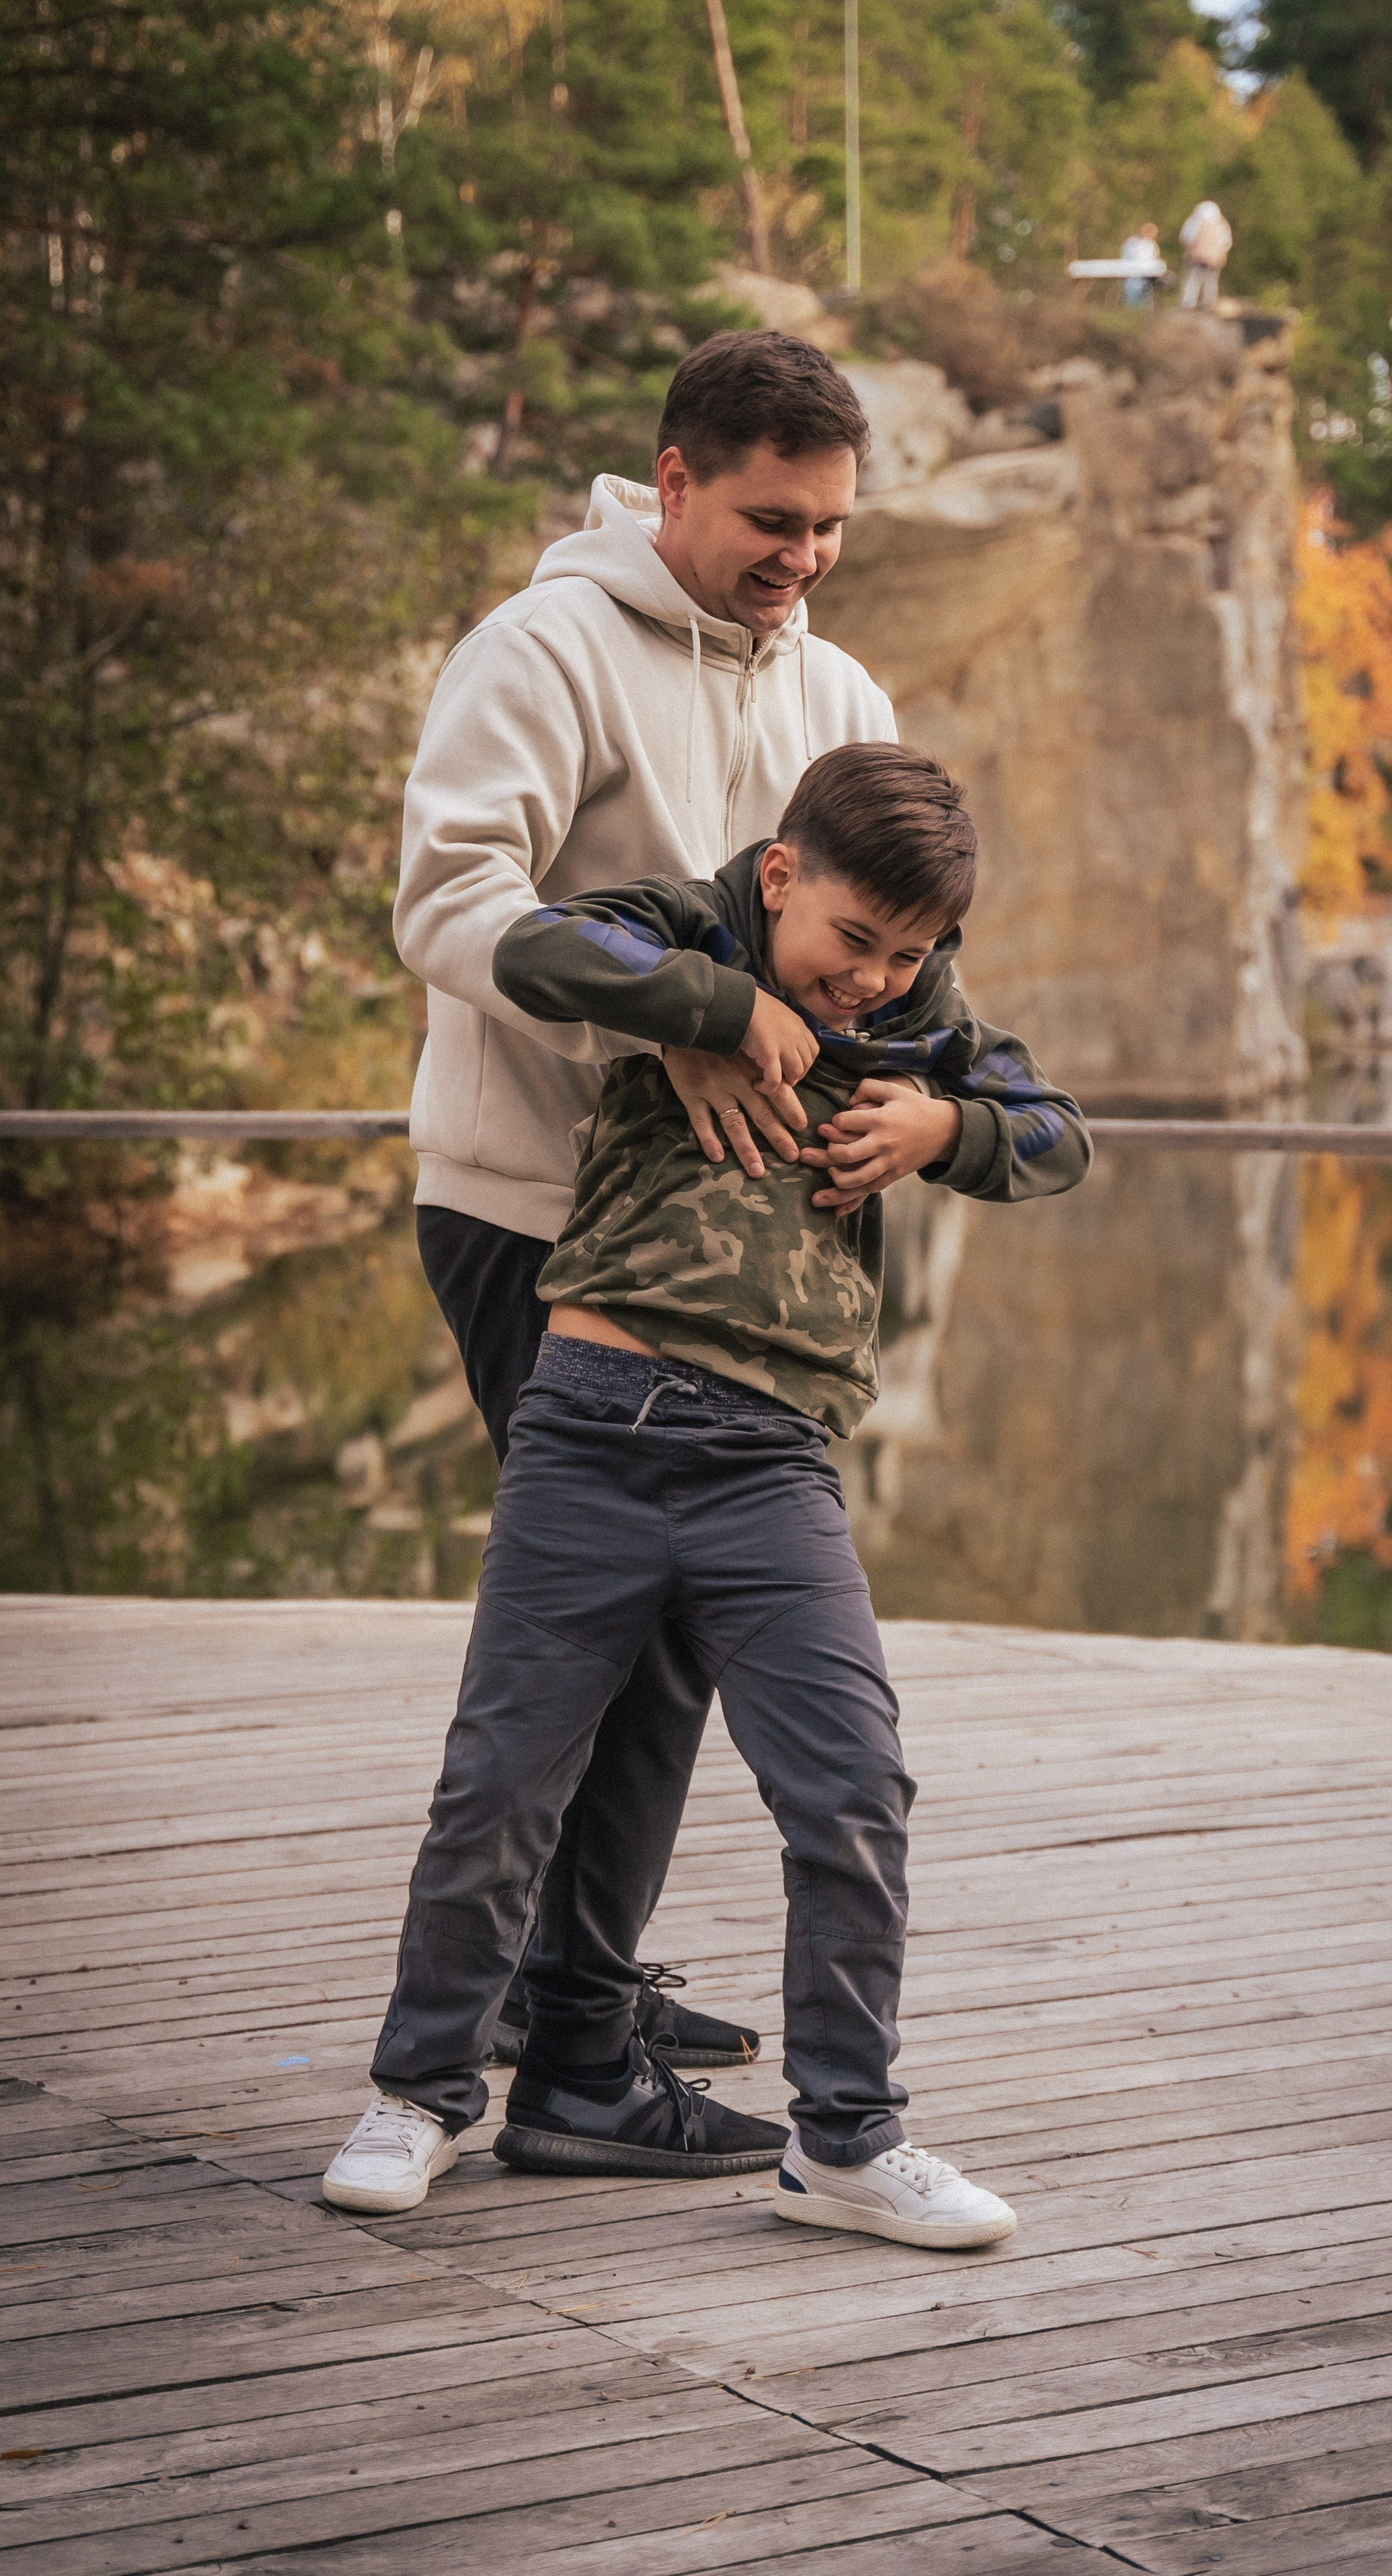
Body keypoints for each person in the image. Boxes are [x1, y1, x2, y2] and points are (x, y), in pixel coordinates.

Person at [323, 742, 1091, 2245]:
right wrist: (725, 1005)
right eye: (846, 940)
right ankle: (418, 2095)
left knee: (852, 1788)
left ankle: (846, 2143)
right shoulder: (677, 935)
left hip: (769, 1469)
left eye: (907, 953)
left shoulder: (917, 1032)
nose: (868, 979)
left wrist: (948, 1131)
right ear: (781, 876)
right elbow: (540, 944)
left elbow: (1061, 1133)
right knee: (501, 1783)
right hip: (592, 1433)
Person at [392, 330, 895, 2082]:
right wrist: (676, 1005)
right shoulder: (543, 651)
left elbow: (874, 965)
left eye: (832, 526)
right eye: (772, 518)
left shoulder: (843, 703)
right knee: (619, 1621)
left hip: (739, 1237)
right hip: (529, 1208)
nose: (805, 560)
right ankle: (570, 2019)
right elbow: (450, 903)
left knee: (674, 1635)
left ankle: (573, 1978)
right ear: (672, 481)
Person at [1179, 199, 1232, 310]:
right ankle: (1209, 304)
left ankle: (1188, 304)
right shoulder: (1221, 223)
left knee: (1193, 279)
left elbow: (1186, 238)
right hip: (1214, 258)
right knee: (1211, 280)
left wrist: (1191, 249)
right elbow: (1227, 242)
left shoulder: (1194, 221)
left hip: (1196, 256)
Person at [1118, 219, 1166, 309]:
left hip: (1146, 278)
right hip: (1134, 277)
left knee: (1144, 302)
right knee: (1134, 301)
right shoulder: (1134, 243)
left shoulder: (1149, 244)